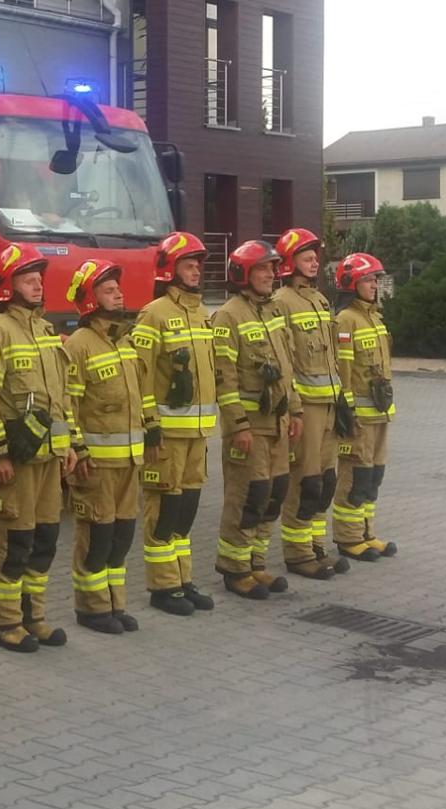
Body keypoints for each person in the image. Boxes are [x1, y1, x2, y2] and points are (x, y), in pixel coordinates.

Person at [0, 243, 76, 652]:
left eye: (39, 279)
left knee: (44, 540)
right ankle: (4, 622)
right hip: (15, 461)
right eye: (28, 279)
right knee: (12, 544)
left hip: (49, 458)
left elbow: (61, 396)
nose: (37, 286)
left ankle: (34, 616)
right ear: (7, 284)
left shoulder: (47, 332)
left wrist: (69, 444)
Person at [131, 232, 220, 616]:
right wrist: (150, 425)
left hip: (197, 435)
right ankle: (162, 587)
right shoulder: (153, 314)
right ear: (170, 269)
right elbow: (142, 376)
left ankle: (183, 580)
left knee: (186, 510)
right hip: (165, 435)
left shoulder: (203, 314)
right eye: (188, 264)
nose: (196, 270)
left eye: (198, 264)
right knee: (164, 511)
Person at [63, 259, 150, 634]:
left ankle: (115, 603)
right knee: (96, 538)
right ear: (90, 298)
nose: (119, 294)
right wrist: (78, 448)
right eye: (109, 290)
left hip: (129, 461)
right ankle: (92, 608)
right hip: (96, 465)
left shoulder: (125, 341)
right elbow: (68, 405)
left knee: (121, 536)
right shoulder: (79, 346)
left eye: (118, 288)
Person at [210, 240, 300, 600]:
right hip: (250, 428)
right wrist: (238, 426)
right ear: (243, 273)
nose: (270, 274)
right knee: (248, 496)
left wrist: (295, 411)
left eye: (272, 268)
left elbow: (286, 368)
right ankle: (235, 569)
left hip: (278, 423)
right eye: (262, 268)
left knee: (274, 494)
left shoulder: (273, 311)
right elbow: (224, 378)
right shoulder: (228, 316)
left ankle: (256, 563)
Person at [271, 228, 349, 578]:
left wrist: (342, 398)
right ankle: (298, 552)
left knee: (326, 481)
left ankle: (316, 546)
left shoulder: (319, 300)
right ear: (290, 262)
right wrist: (293, 409)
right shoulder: (281, 302)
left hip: (329, 404)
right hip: (306, 408)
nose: (315, 262)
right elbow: (284, 360)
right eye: (307, 257)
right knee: (305, 481)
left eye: (315, 257)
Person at [330, 253, 400, 561]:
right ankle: (348, 538)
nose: (374, 285)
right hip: (358, 419)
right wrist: (346, 412)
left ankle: (366, 532)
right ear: (351, 283)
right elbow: (343, 371)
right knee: (355, 477)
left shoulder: (375, 317)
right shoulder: (346, 320)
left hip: (379, 414)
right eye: (369, 280)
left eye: (375, 280)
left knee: (373, 476)